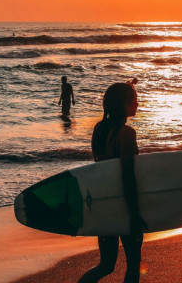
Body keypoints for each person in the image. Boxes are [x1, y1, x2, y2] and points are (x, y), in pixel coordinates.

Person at [79, 82, 146, 283]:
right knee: (133, 265)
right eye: (134, 100)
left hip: (103, 205)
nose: (137, 103)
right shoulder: (126, 133)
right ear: (124, 105)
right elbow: (127, 175)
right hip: (123, 206)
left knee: (106, 265)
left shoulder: (99, 129)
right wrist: (134, 214)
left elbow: (101, 170)